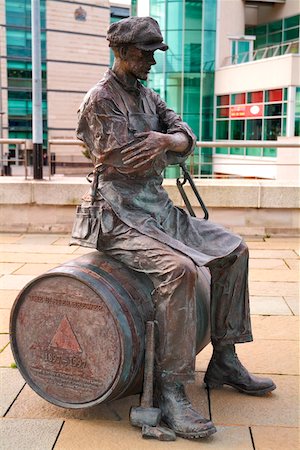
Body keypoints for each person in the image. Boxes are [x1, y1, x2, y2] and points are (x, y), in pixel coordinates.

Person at [71, 16, 276, 440]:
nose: (152, 62)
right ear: (123, 52)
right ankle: (171, 390)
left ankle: (224, 357)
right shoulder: (100, 100)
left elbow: (184, 134)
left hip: (158, 209)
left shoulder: (150, 97)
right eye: (146, 53)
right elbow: (126, 159)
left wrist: (167, 141)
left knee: (234, 250)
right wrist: (167, 144)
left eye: (155, 53)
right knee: (178, 271)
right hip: (119, 215)